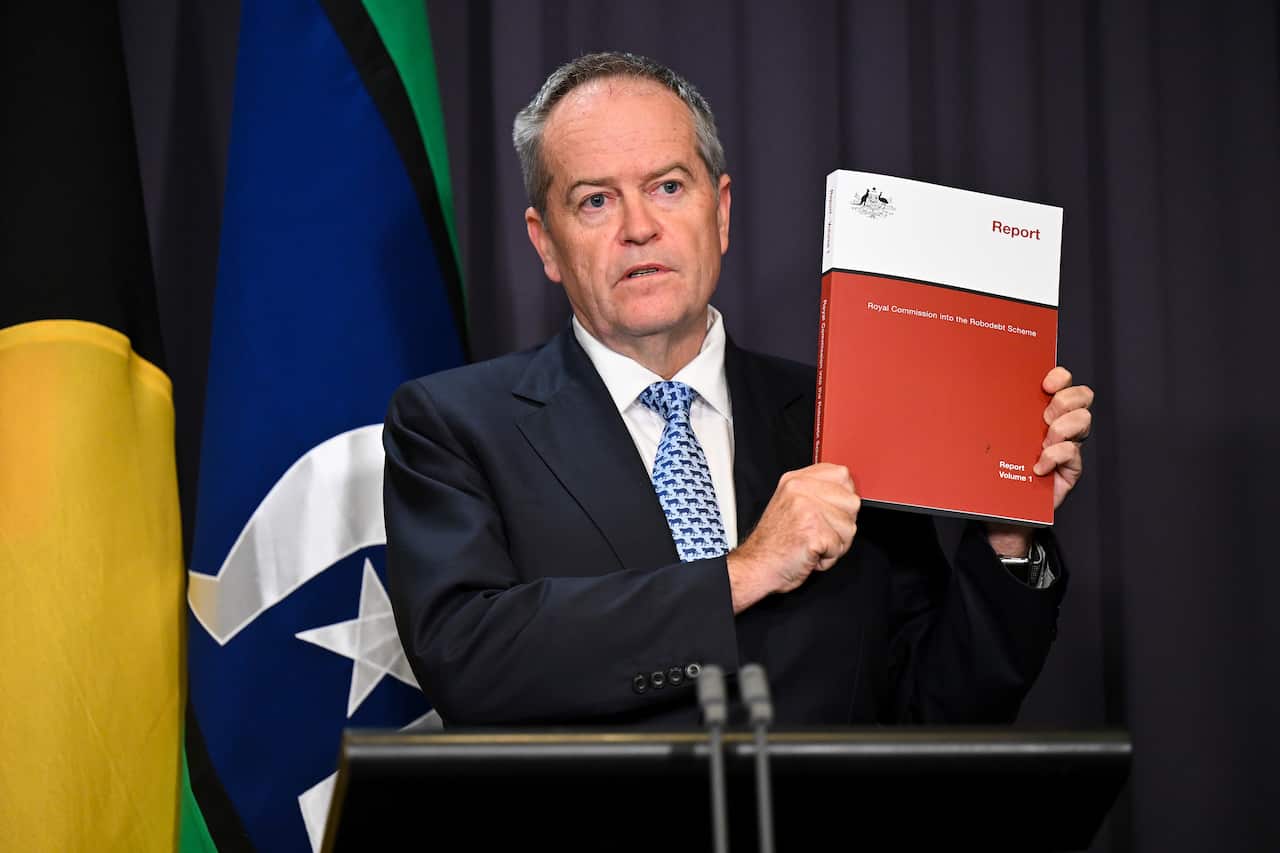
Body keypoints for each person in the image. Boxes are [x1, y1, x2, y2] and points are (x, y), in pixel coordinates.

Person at [383, 52, 1093, 727]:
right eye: (596, 200)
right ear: (545, 242)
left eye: (668, 187)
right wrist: (745, 572)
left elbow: (932, 714)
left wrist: (1008, 531)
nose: (639, 228)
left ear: (719, 212)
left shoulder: (845, 414)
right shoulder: (453, 424)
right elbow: (468, 659)